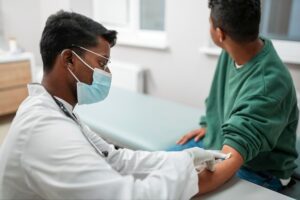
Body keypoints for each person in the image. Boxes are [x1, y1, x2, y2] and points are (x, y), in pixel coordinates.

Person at [0, 11, 220, 199]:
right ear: (69, 60)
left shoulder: (57, 109)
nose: (108, 73)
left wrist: (186, 157)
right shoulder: (46, 131)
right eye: (102, 63)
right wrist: (184, 172)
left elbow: (116, 158)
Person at [169, 0, 299, 193]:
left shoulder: (268, 83)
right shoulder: (236, 48)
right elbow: (225, 100)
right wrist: (211, 125)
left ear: (220, 34)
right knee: (163, 165)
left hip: (260, 170)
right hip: (223, 145)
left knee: (172, 186)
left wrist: (168, 189)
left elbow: (230, 160)